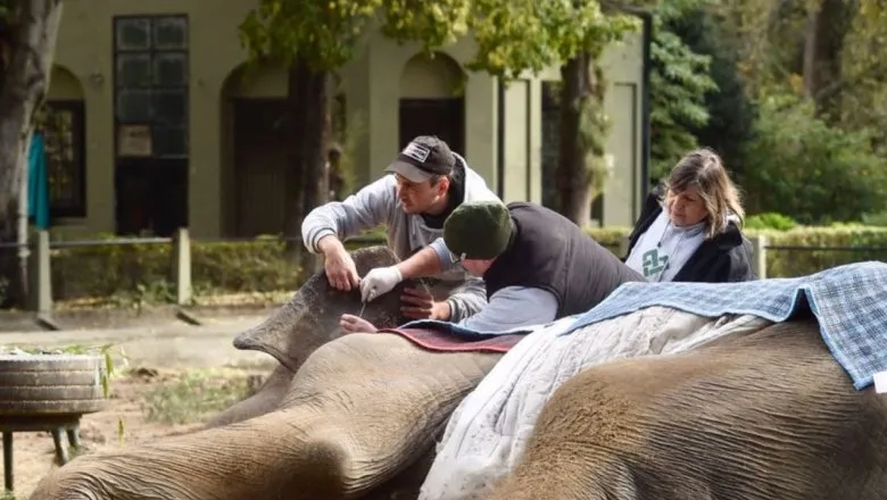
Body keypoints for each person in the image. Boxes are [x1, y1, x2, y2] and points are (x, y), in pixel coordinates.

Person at [341, 200, 645, 333]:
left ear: (484, 259)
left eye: (461, 259)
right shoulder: (510, 216)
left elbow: (458, 339)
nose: (455, 263)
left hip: (637, 324)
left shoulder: (526, 296)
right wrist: (397, 273)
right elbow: (455, 246)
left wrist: (382, 337)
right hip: (634, 290)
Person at [301, 135, 501, 323]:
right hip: (403, 296)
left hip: (463, 316)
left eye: (411, 185)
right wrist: (332, 248)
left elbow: (491, 293)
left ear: (441, 187)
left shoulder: (483, 215)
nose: (400, 192)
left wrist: (441, 310)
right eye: (398, 180)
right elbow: (327, 215)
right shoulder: (392, 192)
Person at [624, 148, 756, 283]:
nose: (676, 205)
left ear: (711, 205)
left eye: (689, 199)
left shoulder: (728, 250)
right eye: (673, 192)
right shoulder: (654, 207)